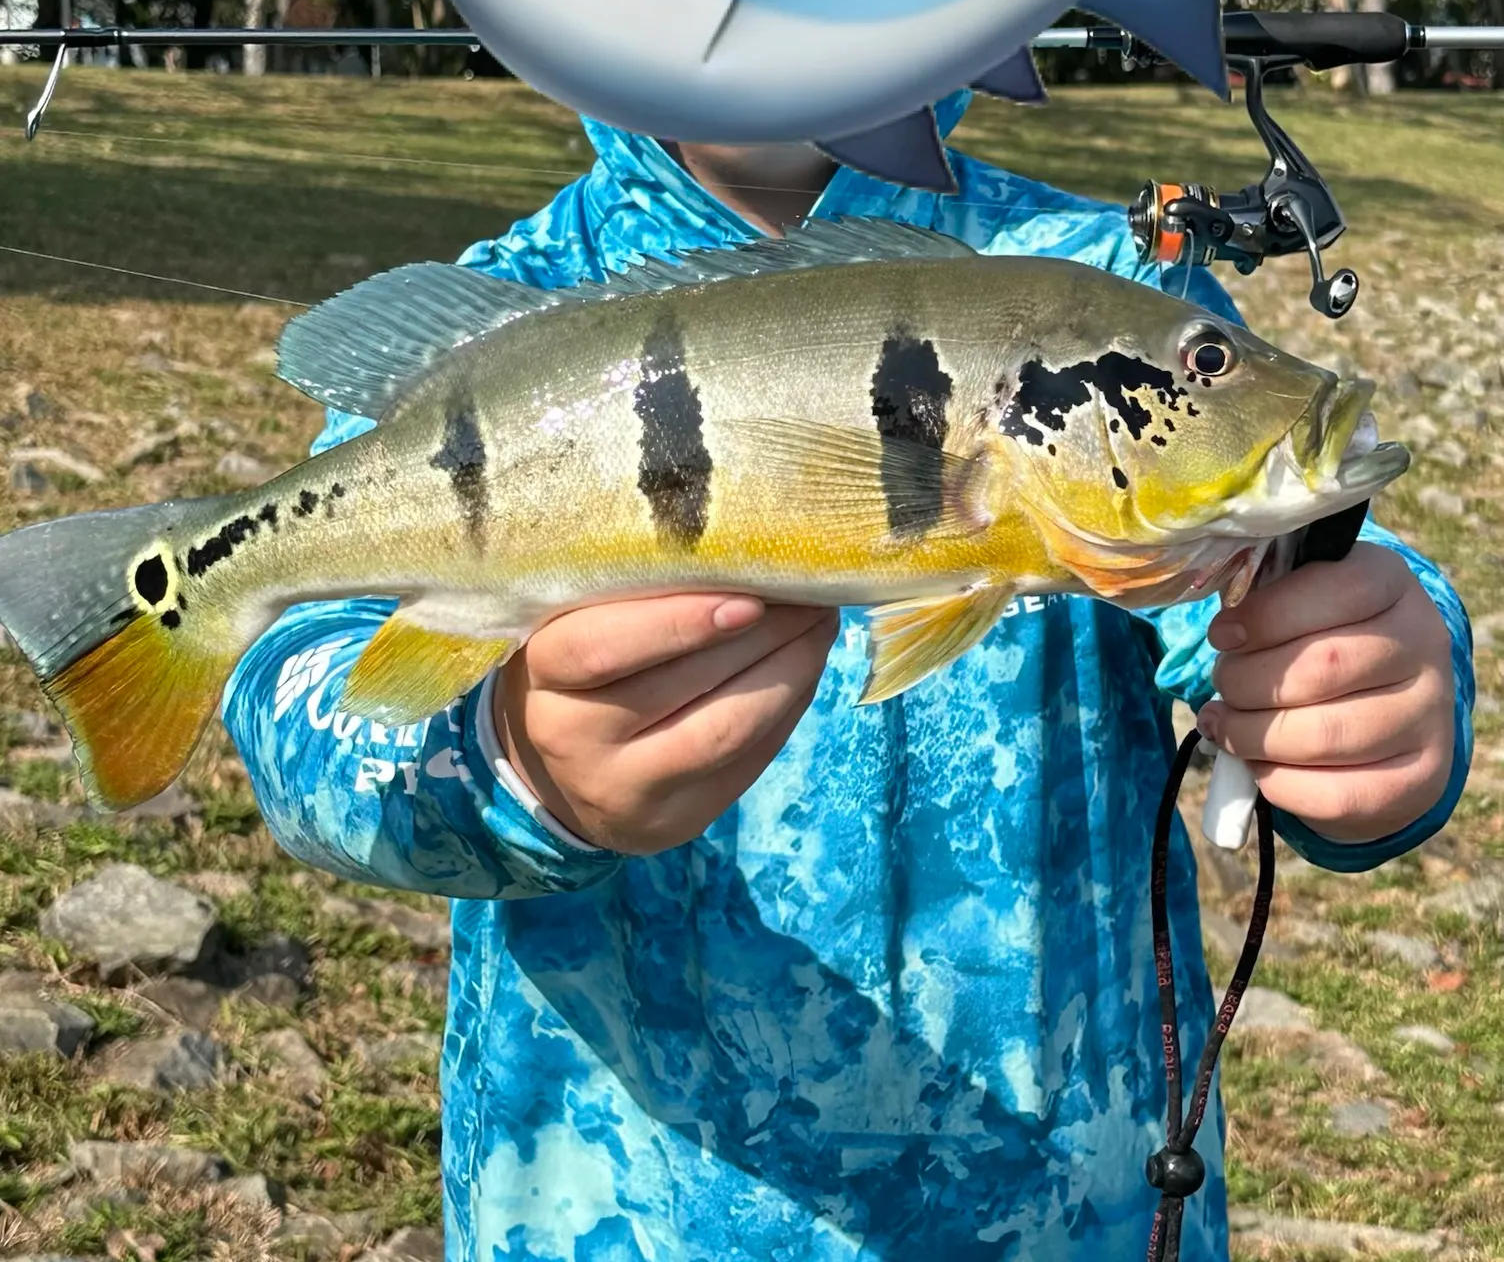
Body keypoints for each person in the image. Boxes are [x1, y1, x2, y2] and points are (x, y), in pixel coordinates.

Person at [223, 89, 1473, 1262]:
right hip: (606, 1217)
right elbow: (298, 689)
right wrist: (510, 765)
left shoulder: (1107, 286)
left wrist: (1374, 682)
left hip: (1064, 1215)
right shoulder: (510, 309)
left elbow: (1258, 577)